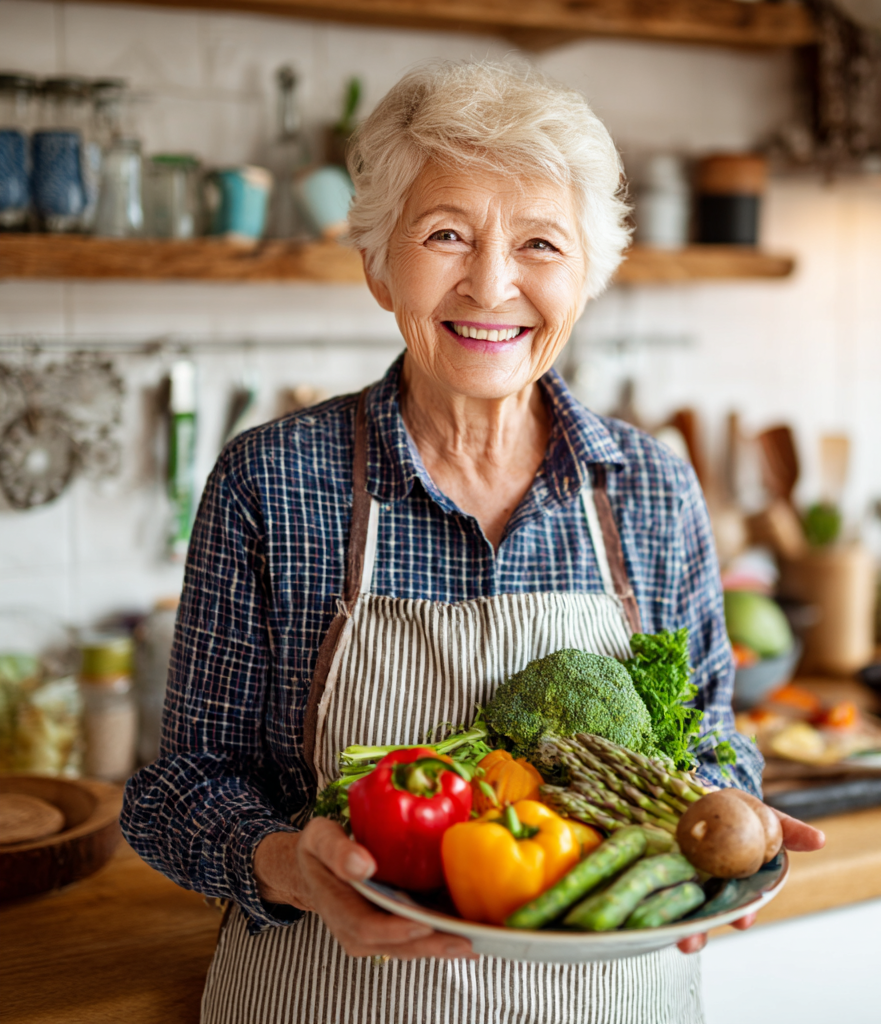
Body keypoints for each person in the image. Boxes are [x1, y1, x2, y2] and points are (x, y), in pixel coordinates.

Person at [122, 59, 824, 1024]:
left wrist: (719, 826)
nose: (492, 284)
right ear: (377, 263)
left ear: (588, 276)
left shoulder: (651, 488)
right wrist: (289, 865)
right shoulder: (272, 483)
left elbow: (710, 740)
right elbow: (177, 792)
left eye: (540, 243)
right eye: (447, 233)